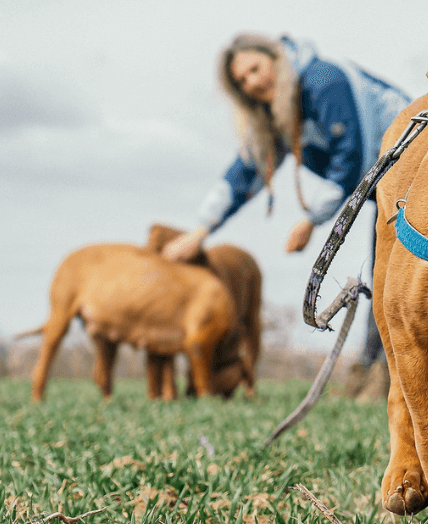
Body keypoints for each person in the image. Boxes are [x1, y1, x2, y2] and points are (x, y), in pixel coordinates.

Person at [163, 32, 411, 399]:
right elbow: (247, 170)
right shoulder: (282, 112)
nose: (251, 82)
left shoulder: (323, 81)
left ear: (276, 59)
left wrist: (312, 220)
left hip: (418, 170)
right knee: (384, 273)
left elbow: (352, 155)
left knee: (392, 274)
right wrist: (201, 229)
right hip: (387, 188)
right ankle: (372, 373)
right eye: (242, 81)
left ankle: (382, 375)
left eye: (255, 68)